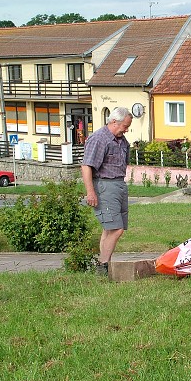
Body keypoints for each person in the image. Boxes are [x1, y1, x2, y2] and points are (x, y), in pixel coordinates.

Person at [81, 107, 133, 275]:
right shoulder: (99, 138)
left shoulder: (122, 141)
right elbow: (87, 166)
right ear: (113, 122)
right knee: (116, 229)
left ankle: (105, 265)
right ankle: (103, 267)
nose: (126, 129)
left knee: (110, 229)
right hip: (104, 185)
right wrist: (90, 192)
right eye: (125, 126)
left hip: (119, 184)